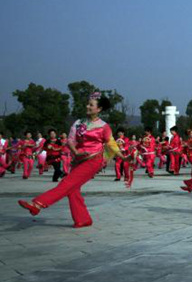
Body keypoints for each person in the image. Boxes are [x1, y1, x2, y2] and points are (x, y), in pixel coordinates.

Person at [18, 92, 121, 228]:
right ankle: (83, 219)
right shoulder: (78, 123)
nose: (87, 106)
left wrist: (123, 156)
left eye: (91, 105)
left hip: (93, 159)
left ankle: (38, 203)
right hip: (78, 159)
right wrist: (75, 152)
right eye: (88, 103)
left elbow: (111, 144)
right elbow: (70, 140)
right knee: (73, 189)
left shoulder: (104, 126)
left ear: (99, 109)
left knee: (66, 183)